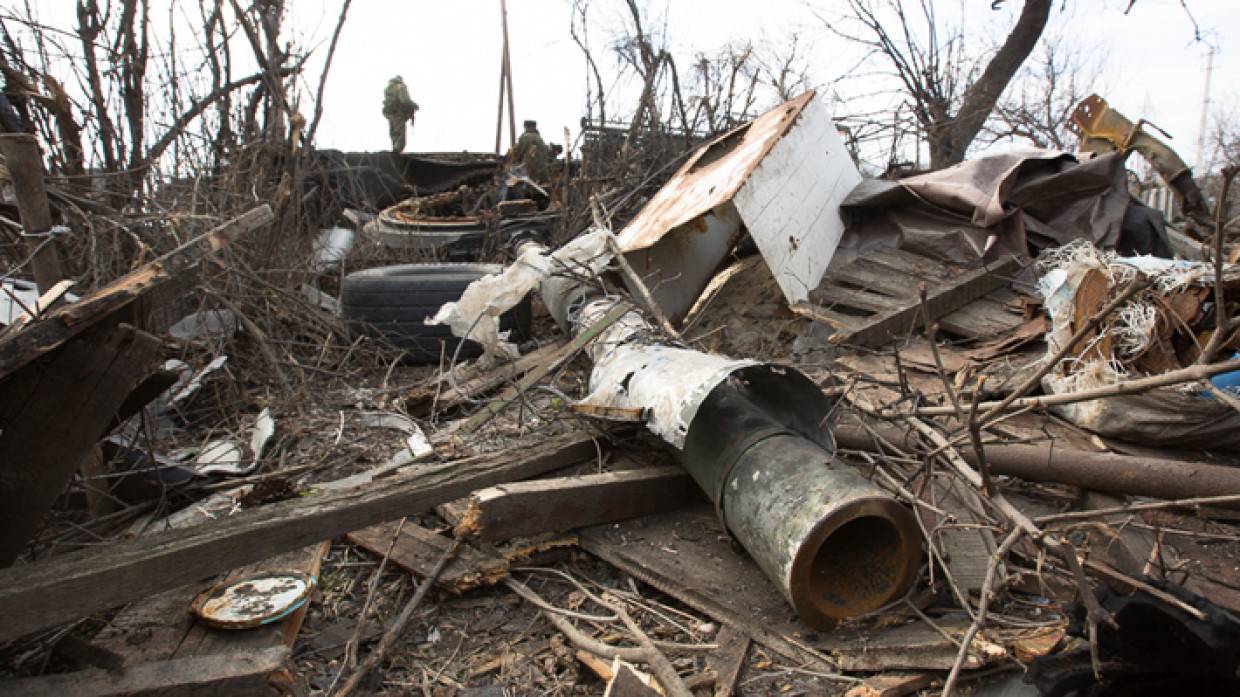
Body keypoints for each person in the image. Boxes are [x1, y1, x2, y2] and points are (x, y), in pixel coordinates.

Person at [382, 75, 419, 152]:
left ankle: (395, 149)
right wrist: (414, 106)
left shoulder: (388, 88)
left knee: (393, 132)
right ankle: (397, 151)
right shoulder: (400, 87)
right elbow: (405, 100)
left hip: (389, 113)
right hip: (398, 113)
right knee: (400, 134)